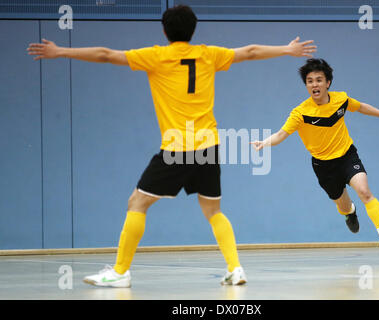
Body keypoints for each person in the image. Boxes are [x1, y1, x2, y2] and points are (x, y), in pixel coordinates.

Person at [27, 5, 317, 287]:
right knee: (213, 210)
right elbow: (250, 51)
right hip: (209, 145)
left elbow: (105, 54)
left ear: (164, 30)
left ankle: (120, 272)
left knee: (137, 203)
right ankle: (235, 267)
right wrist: (286, 49)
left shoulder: (155, 56)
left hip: (177, 148)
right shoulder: (208, 54)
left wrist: (60, 51)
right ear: (193, 30)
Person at [251, 58, 379, 255]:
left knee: (364, 191)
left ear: (328, 83)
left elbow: (361, 106)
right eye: (310, 81)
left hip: (347, 156)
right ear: (306, 85)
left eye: (319, 80)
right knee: (343, 205)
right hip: (323, 166)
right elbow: (281, 134)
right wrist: (265, 142)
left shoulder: (341, 99)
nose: (315, 84)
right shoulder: (300, 113)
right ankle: (350, 213)